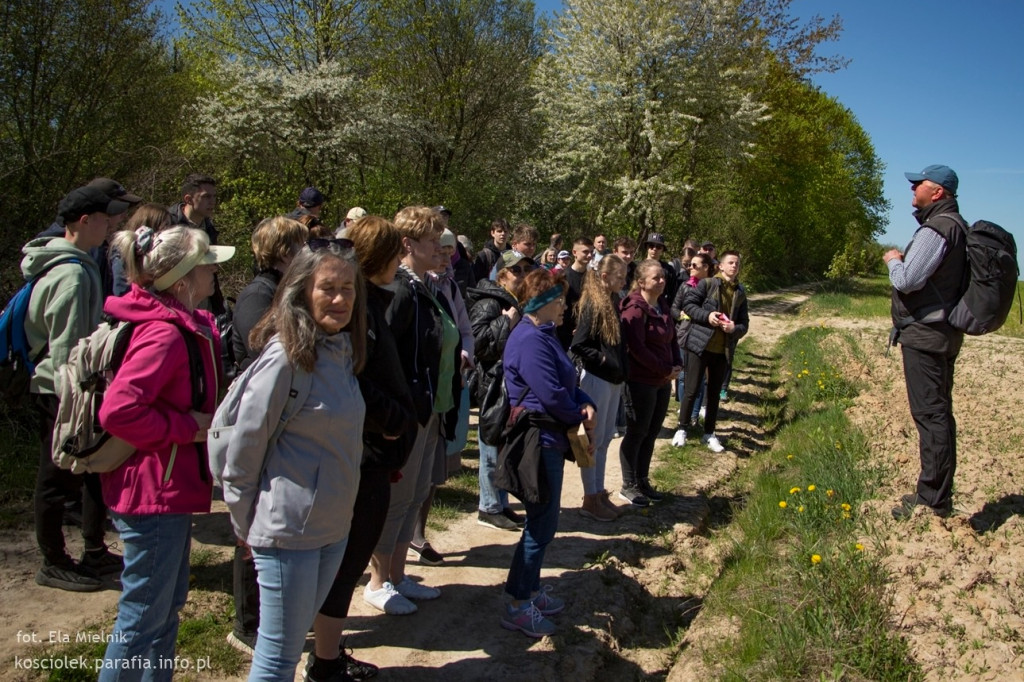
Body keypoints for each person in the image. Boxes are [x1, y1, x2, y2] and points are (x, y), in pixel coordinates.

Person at [222, 239, 366, 681]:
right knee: (278, 657)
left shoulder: (342, 353)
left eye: (348, 288)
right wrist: (244, 521)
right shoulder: (285, 358)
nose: (340, 299)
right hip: (287, 533)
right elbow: (242, 448)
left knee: (290, 644)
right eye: (328, 288)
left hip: (331, 529)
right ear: (302, 291)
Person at [98, 225, 234, 678]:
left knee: (164, 609)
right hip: (153, 490)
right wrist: (186, 428)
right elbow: (118, 411)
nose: (215, 271)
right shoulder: (164, 334)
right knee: (142, 617)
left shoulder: (179, 324)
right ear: (182, 279)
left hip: (166, 488)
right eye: (207, 264)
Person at [308, 216, 417, 682]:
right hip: (363, 452)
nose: (401, 260)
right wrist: (389, 418)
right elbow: (349, 376)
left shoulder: (369, 304)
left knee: (349, 557)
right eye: (396, 253)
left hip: (373, 451)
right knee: (347, 560)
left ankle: (327, 654)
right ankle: (324, 662)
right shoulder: (355, 310)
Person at [24, 186, 130, 592]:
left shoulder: (76, 263)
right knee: (56, 477)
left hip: (71, 385)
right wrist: (88, 393)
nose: (113, 225)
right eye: (106, 219)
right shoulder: (70, 273)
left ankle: (93, 549)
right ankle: (53, 561)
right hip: (61, 389)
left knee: (88, 470)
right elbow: (69, 350)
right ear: (84, 221)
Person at [363, 206, 458, 614]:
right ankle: (378, 580)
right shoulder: (401, 291)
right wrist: (394, 411)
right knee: (398, 497)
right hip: (408, 411)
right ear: (408, 245)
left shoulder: (425, 287)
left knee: (416, 492)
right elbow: (384, 356)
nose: (440, 247)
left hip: (430, 407)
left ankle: (399, 576)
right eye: (433, 240)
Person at [225, 215, 309, 656]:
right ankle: (247, 623)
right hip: (258, 417)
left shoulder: (280, 291)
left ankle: (274, 612)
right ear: (281, 252)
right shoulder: (257, 295)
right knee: (251, 525)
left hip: (283, 416)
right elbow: (266, 353)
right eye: (299, 248)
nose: (306, 255)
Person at [501, 267, 595, 637]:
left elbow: (566, 379)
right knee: (540, 526)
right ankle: (517, 603)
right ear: (541, 303)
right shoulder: (529, 340)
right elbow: (550, 393)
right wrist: (579, 415)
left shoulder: (546, 335)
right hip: (538, 441)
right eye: (559, 301)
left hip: (551, 437)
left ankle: (531, 591)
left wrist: (585, 401)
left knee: (543, 523)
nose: (565, 307)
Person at [886, 164, 968, 521]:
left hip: (926, 335)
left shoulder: (938, 228)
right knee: (938, 415)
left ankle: (932, 499)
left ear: (938, 192)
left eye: (917, 185)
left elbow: (907, 280)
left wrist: (893, 261)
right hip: (942, 333)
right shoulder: (956, 226)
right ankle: (935, 493)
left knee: (931, 416)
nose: (912, 191)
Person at [467, 250, 533, 531]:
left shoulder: (516, 302)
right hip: (492, 383)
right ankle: (488, 507)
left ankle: (501, 504)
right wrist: (506, 321)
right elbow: (478, 344)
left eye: (524, 270)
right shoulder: (489, 303)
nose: (522, 275)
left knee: (503, 446)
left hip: (510, 385)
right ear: (502, 274)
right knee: (491, 447)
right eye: (515, 270)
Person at [618, 259, 682, 507]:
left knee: (652, 432)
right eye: (657, 278)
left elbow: (672, 338)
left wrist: (677, 363)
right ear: (642, 282)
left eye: (663, 277)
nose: (662, 281)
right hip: (641, 380)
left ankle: (643, 480)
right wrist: (665, 369)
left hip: (662, 380)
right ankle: (629, 484)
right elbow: (637, 349)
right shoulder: (634, 310)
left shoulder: (662, 305)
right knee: (637, 432)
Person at [570, 254, 628, 521]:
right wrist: (604, 359)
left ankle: (598, 492)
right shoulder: (593, 303)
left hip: (613, 380)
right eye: (619, 276)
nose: (623, 281)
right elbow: (579, 344)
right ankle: (588, 497)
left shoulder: (612, 301)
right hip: (596, 379)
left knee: (603, 440)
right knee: (588, 440)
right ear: (604, 276)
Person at [674, 251, 749, 453]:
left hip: (722, 349)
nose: (734, 266)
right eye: (730, 263)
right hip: (699, 345)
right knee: (691, 388)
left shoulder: (740, 292)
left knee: (713, 393)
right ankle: (682, 430)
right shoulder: (706, 284)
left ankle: (709, 434)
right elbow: (688, 305)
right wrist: (707, 316)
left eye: (737, 264)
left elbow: (745, 324)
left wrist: (734, 329)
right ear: (721, 266)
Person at [168, 173, 226, 314]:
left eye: (214, 196)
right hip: (176, 305)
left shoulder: (209, 228)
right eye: (206, 197)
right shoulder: (169, 226)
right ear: (188, 199)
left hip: (204, 307)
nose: (212, 202)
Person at [670, 252, 713, 412]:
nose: (690, 267)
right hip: (684, 333)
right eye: (689, 264)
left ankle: (696, 411)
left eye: (695, 265)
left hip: (703, 336)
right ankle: (684, 408)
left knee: (700, 376)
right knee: (682, 375)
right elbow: (674, 307)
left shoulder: (713, 287)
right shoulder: (685, 286)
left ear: (706, 267)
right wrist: (680, 315)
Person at [109, 204, 174, 297]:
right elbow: (121, 290)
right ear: (150, 225)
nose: (169, 230)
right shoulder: (123, 249)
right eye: (166, 225)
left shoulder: (159, 253)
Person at [558, 237, 593, 350]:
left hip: (587, 334)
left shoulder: (592, 278)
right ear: (574, 252)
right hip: (566, 336)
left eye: (591, 252)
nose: (589, 255)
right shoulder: (563, 277)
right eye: (585, 252)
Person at [643, 232, 679, 306]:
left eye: (658, 247)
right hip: (641, 304)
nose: (654, 249)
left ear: (662, 250)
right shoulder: (637, 266)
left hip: (661, 307)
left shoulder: (668, 269)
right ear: (647, 247)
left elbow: (673, 293)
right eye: (651, 246)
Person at [473, 219, 510, 284]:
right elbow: (477, 281)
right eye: (499, 231)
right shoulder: (484, 255)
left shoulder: (512, 254)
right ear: (492, 233)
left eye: (505, 231)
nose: (503, 234)